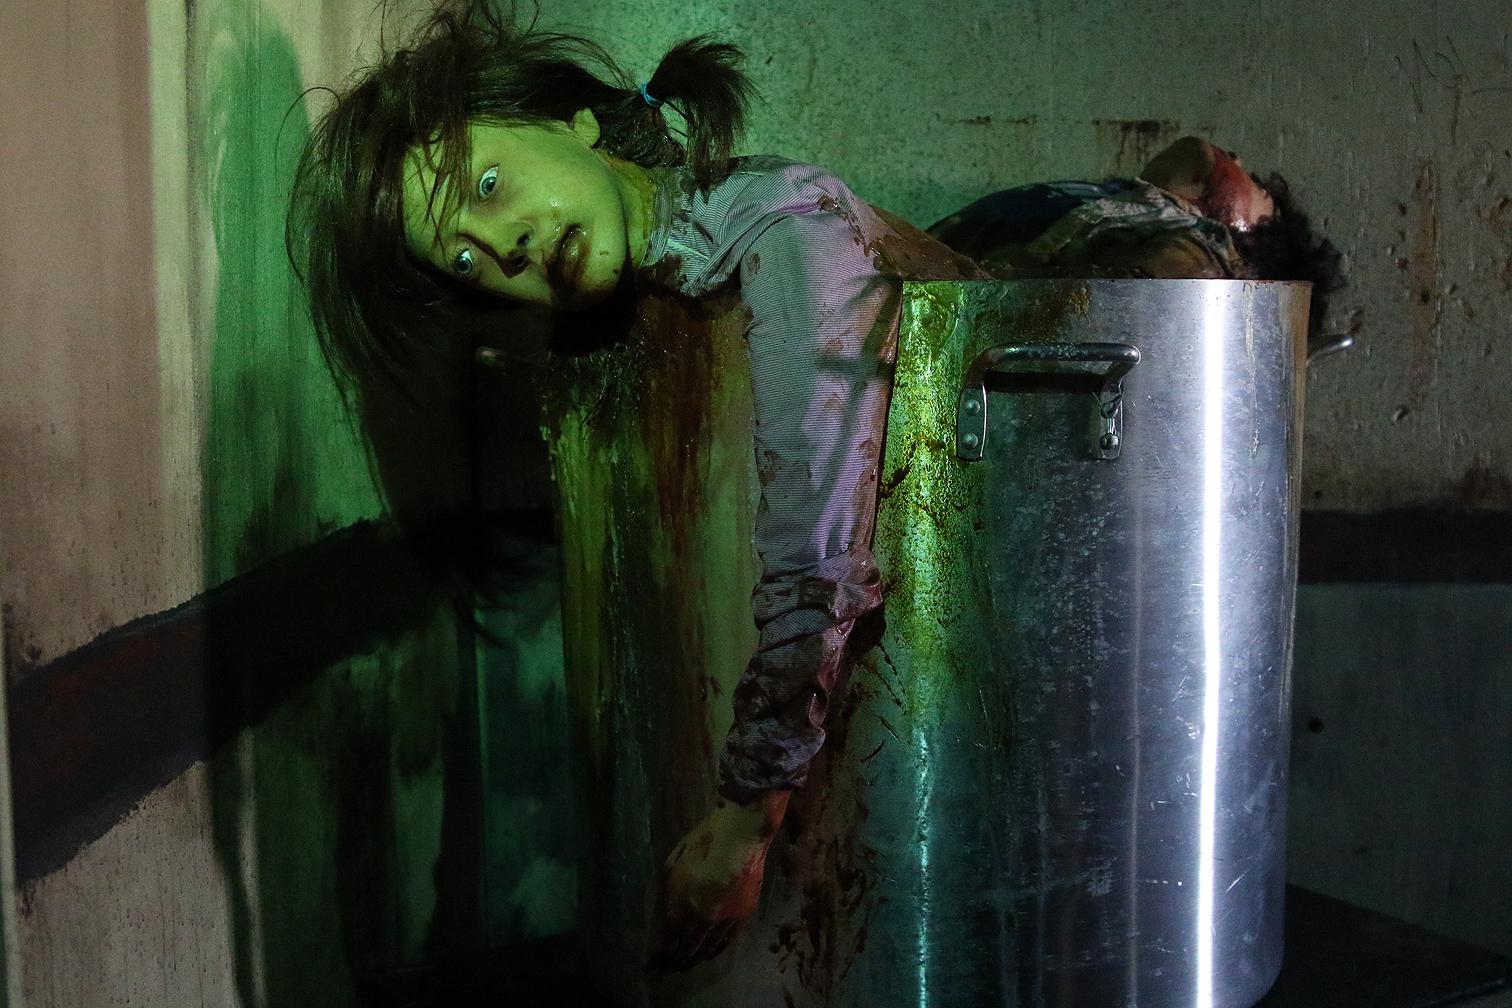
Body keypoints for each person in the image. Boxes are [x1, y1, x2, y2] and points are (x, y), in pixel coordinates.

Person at [286, 0, 981, 976]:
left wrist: (744, 821)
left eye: (489, 185)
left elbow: (817, 554)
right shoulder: (640, 292)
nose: (505, 247)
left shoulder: (784, 226)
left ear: (572, 123)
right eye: (466, 258)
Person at [927, 136, 1346, 353]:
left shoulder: (1205, 261)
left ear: (1249, 239)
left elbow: (1001, 304)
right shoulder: (1124, 211)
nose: (1235, 159)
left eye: (1256, 187)